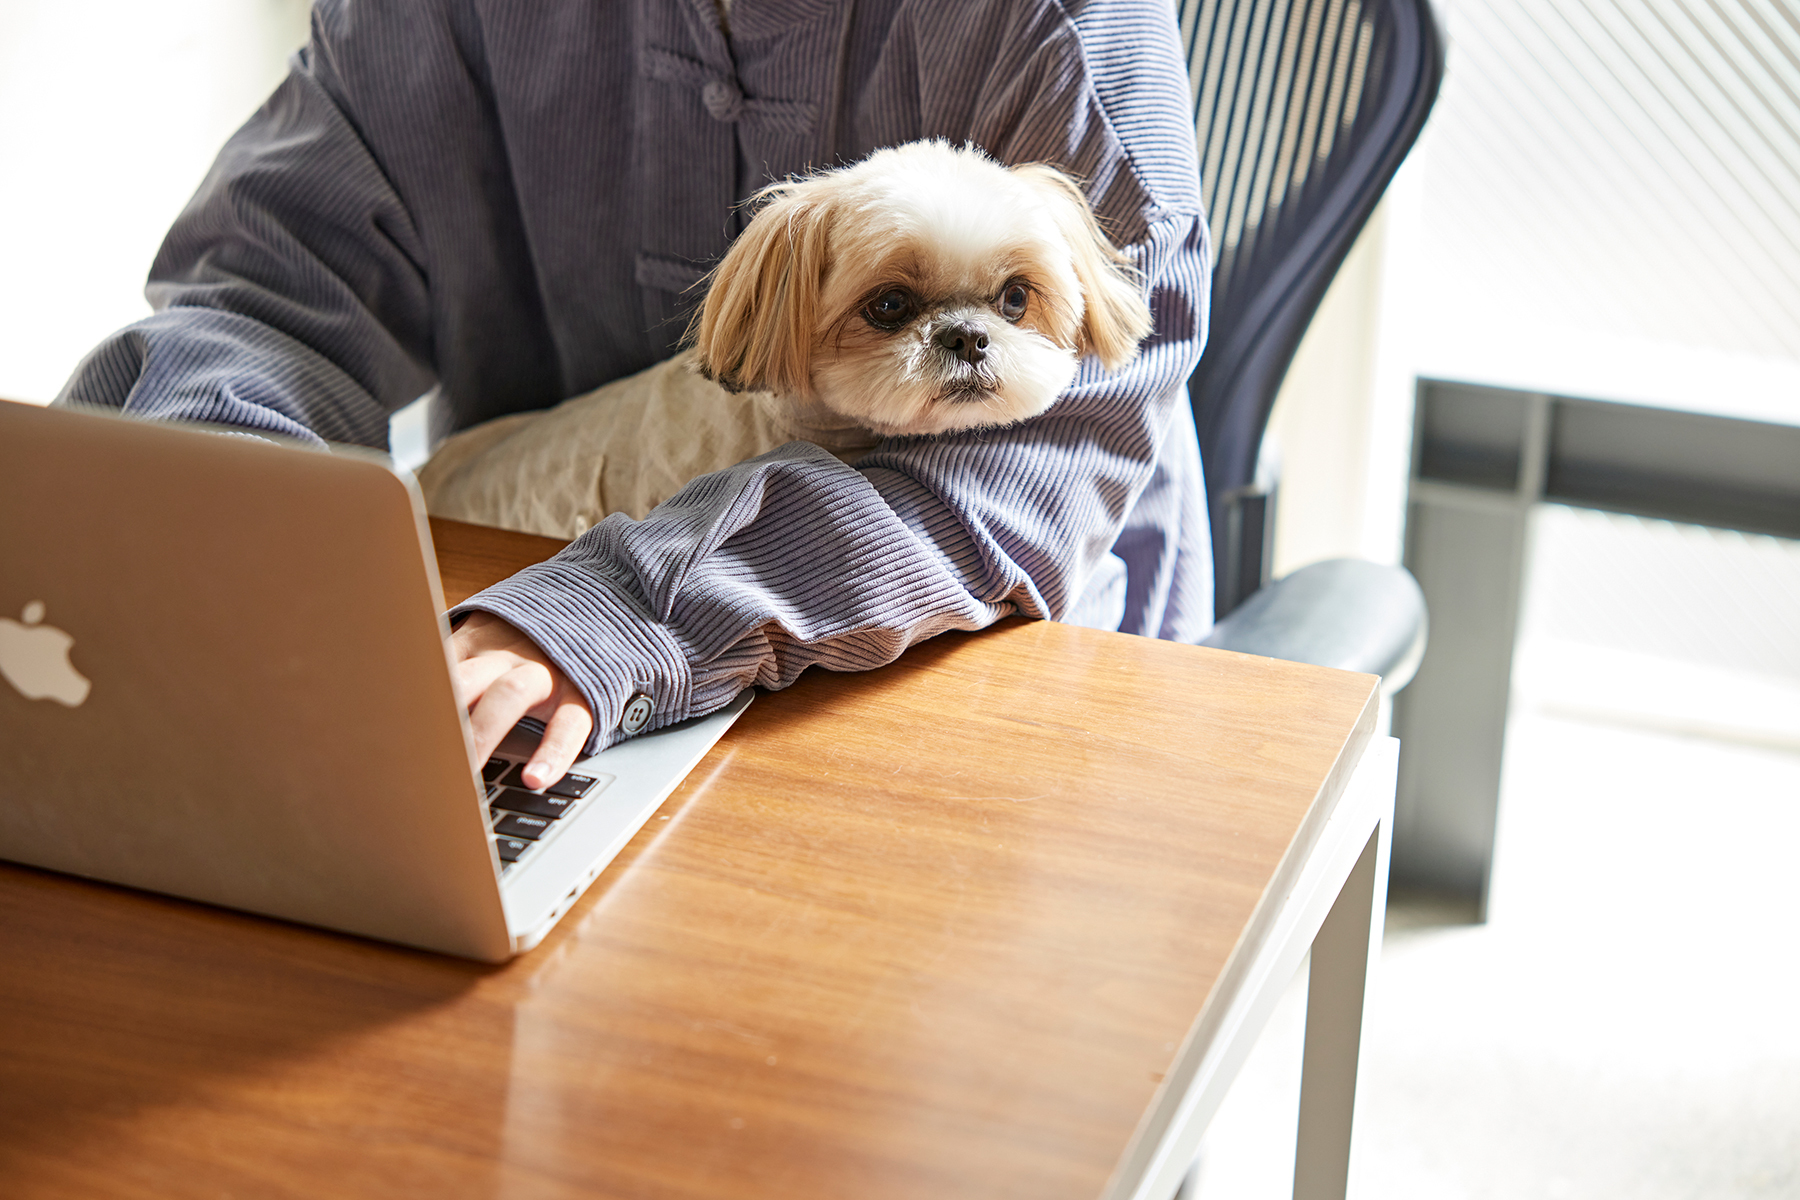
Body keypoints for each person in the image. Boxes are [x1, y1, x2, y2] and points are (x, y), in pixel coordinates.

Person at [56, 0, 1213, 789]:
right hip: (520, 631)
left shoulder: (1059, 23)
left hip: (986, 676)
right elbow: (264, 293)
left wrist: (621, 615)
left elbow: (1049, 454)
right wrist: (205, 548)